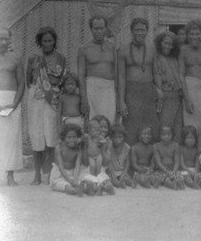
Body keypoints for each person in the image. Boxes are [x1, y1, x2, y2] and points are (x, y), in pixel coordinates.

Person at [27, 26, 67, 185]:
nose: (48, 43)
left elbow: (62, 80)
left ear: (55, 41)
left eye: (50, 40)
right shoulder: (33, 58)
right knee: (37, 135)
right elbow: (28, 80)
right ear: (39, 42)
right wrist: (40, 90)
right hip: (36, 98)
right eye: (44, 40)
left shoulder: (61, 58)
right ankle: (36, 175)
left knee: (51, 136)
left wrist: (52, 92)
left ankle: (50, 174)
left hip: (53, 99)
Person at [0, 27, 25, 186]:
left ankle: (10, 176)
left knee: (12, 138)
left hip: (12, 100)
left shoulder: (16, 59)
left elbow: (22, 83)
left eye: (6, 39)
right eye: (0, 38)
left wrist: (15, 104)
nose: (3, 42)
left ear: (10, 40)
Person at [118, 17, 159, 145]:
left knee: (150, 124)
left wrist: (160, 91)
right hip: (131, 91)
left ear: (147, 31)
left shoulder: (152, 49)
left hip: (148, 90)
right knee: (131, 124)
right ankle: (130, 155)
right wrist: (121, 101)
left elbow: (156, 72)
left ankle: (148, 157)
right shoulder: (123, 49)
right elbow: (121, 76)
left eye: (143, 30)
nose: (140, 33)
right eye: (137, 30)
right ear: (131, 31)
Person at [77, 15, 117, 123]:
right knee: (94, 123)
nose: (99, 31)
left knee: (110, 122)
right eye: (96, 28)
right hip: (92, 89)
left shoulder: (113, 47)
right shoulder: (84, 49)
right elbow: (81, 75)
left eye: (101, 28)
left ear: (106, 28)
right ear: (91, 29)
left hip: (110, 89)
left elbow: (118, 71)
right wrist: (84, 99)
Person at [154, 31, 183, 143]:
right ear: (160, 43)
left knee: (177, 127)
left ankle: (174, 153)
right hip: (164, 95)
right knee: (165, 125)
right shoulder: (156, 57)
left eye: (171, 44)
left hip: (177, 96)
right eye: (165, 43)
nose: (168, 46)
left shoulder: (175, 58)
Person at [80, 119, 114, 195]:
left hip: (98, 156)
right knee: (91, 169)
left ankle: (100, 185)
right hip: (89, 160)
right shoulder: (87, 138)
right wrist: (83, 141)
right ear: (89, 130)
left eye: (105, 127)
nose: (99, 131)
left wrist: (103, 146)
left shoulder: (102, 139)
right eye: (97, 129)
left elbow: (106, 162)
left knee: (99, 171)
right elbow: (85, 163)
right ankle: (96, 185)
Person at [50, 124, 84, 196]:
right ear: (63, 137)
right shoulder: (59, 148)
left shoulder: (78, 149)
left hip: (73, 173)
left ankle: (82, 188)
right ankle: (74, 190)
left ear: (78, 137)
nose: (71, 140)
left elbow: (77, 165)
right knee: (66, 186)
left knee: (82, 180)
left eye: (74, 137)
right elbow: (61, 166)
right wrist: (69, 180)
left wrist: (75, 179)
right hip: (59, 175)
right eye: (69, 137)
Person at [104, 124, 134, 189]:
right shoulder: (109, 146)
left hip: (121, 171)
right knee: (113, 181)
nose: (117, 139)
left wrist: (125, 172)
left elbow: (127, 161)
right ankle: (119, 184)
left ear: (124, 137)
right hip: (111, 171)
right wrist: (110, 171)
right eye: (115, 137)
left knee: (127, 180)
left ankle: (131, 182)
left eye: (120, 137)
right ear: (111, 137)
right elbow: (107, 161)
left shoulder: (126, 147)